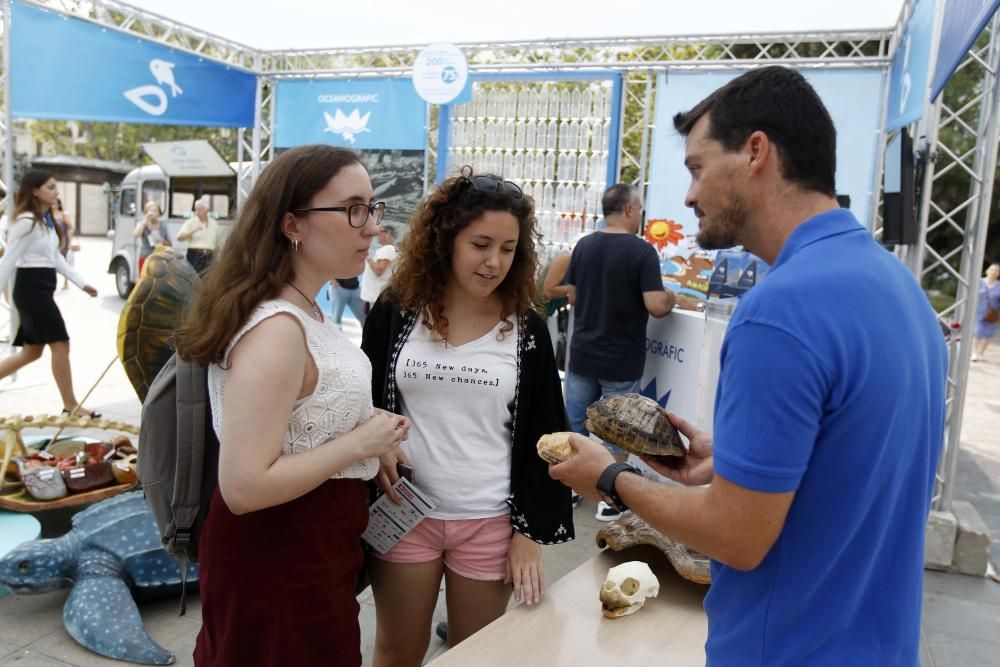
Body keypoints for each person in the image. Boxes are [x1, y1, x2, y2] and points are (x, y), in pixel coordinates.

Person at [550, 66, 948, 665]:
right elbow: (852, 470)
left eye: (697, 167)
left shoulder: (780, 310)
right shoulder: (899, 286)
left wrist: (608, 477)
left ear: (756, 151)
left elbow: (736, 536)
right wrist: (733, 464)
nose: (688, 195)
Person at [172, 145, 408, 666]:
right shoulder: (278, 328)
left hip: (312, 551)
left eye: (372, 208)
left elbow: (297, 415)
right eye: (352, 209)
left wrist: (366, 435)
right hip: (278, 555)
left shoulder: (302, 311)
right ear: (292, 224)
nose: (370, 227)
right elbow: (244, 486)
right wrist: (359, 443)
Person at [361, 168, 573, 665]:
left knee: (474, 657)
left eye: (508, 248)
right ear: (445, 240)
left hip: (490, 521)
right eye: (481, 244)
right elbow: (359, 395)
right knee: (397, 651)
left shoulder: (527, 329)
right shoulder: (398, 309)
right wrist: (377, 436)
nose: (494, 262)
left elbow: (550, 435)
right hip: (403, 512)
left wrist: (529, 534)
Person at [563, 183, 680, 522]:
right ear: (629, 210)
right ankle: (609, 497)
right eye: (640, 208)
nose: (641, 214)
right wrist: (671, 296)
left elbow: (571, 297)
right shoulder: (642, 252)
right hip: (620, 358)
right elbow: (656, 306)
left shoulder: (583, 246)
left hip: (583, 353)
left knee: (576, 422)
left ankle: (570, 487)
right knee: (618, 429)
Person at [0, 170, 100, 417]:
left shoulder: (45, 221)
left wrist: (82, 283)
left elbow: (55, 259)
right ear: (35, 190)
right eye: (51, 187)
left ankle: (70, 404)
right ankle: (71, 404)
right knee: (61, 343)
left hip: (42, 288)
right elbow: (9, 259)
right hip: (31, 290)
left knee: (32, 352)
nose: (56, 192)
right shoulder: (25, 221)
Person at [176, 197, 220, 275]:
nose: (197, 212)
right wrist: (194, 230)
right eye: (196, 209)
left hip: (209, 256)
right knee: (193, 279)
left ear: (206, 210)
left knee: (208, 279)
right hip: (194, 255)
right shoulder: (190, 222)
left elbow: (217, 244)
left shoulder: (214, 224)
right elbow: (179, 237)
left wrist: (217, 259)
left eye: (200, 209)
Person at [360, 224, 398, 309]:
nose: (377, 234)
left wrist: (369, 259)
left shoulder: (387, 249)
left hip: (376, 296)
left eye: (380, 232)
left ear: (388, 234)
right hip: (379, 296)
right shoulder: (391, 249)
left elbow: (378, 270)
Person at [971, 261, 1000, 361]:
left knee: (988, 334)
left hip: (992, 313)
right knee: (977, 332)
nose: (993, 272)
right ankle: (974, 352)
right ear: (987, 271)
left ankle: (981, 352)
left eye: (996, 271)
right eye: (992, 270)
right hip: (979, 311)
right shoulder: (979, 282)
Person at [132, 201, 171, 275]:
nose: (152, 213)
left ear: (159, 214)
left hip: (160, 259)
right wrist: (145, 222)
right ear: (146, 213)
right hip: (145, 258)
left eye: (155, 211)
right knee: (144, 282)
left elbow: (169, 243)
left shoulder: (163, 225)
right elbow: (136, 235)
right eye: (150, 211)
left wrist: (163, 241)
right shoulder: (142, 224)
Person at [52, 199, 79, 290]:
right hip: (53, 241)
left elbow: (69, 228)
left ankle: (66, 282)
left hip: (64, 240)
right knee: (53, 262)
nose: (53, 205)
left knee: (65, 261)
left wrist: (70, 241)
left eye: (55, 203)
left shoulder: (64, 214)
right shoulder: (49, 215)